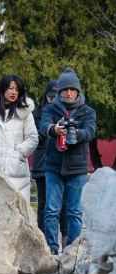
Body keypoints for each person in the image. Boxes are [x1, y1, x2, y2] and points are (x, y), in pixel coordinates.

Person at [40, 68, 96, 255]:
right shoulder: (50, 108)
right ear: (60, 91)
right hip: (54, 167)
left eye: (73, 89)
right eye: (65, 89)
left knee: (75, 212)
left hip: (78, 169)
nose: (69, 93)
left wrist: (76, 132)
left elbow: (90, 132)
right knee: (51, 210)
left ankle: (72, 250)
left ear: (78, 91)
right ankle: (51, 250)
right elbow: (43, 126)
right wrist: (54, 129)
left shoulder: (88, 111)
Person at [0, 75, 38, 203]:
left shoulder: (25, 112)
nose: (14, 92)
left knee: (17, 217)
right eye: (11, 88)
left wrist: (17, 155)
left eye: (17, 89)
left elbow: (32, 138)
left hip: (16, 170)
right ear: (3, 88)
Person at [32, 81, 69, 248]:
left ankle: (65, 235)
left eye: (55, 97)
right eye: (50, 97)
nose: (53, 100)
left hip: (61, 161)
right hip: (42, 160)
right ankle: (42, 235)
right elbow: (34, 137)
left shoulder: (66, 111)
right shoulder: (37, 114)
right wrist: (50, 130)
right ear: (45, 97)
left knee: (63, 203)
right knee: (43, 202)